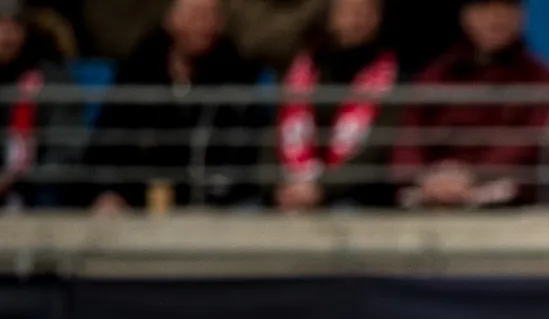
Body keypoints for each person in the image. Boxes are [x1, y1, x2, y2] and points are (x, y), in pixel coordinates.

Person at [83, 0, 265, 212]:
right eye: (196, 15)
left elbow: (243, 154)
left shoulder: (237, 76)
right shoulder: (138, 72)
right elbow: (108, 143)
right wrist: (109, 192)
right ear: (171, 20)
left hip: (218, 202)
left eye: (212, 16)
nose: (205, 25)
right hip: (142, 199)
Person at [392, 0, 549, 209]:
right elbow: (409, 135)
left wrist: (471, 176)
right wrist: (426, 177)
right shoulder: (438, 73)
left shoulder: (541, 77)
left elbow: (532, 142)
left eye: (505, 9)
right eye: (485, 9)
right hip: (433, 186)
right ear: (466, 17)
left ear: (522, 16)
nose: (496, 18)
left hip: (503, 192)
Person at [273, 0, 400, 211]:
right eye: (348, 12)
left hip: (357, 196)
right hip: (290, 190)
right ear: (330, 19)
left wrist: (322, 189)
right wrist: (277, 187)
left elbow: (378, 149)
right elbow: (274, 135)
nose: (356, 20)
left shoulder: (393, 76)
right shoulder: (304, 69)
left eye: (365, 12)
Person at [0, 0, 85, 209]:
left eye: (15, 25)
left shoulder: (51, 78)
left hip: (35, 189)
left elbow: (65, 148)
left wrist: (17, 176)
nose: (6, 35)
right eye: (0, 25)